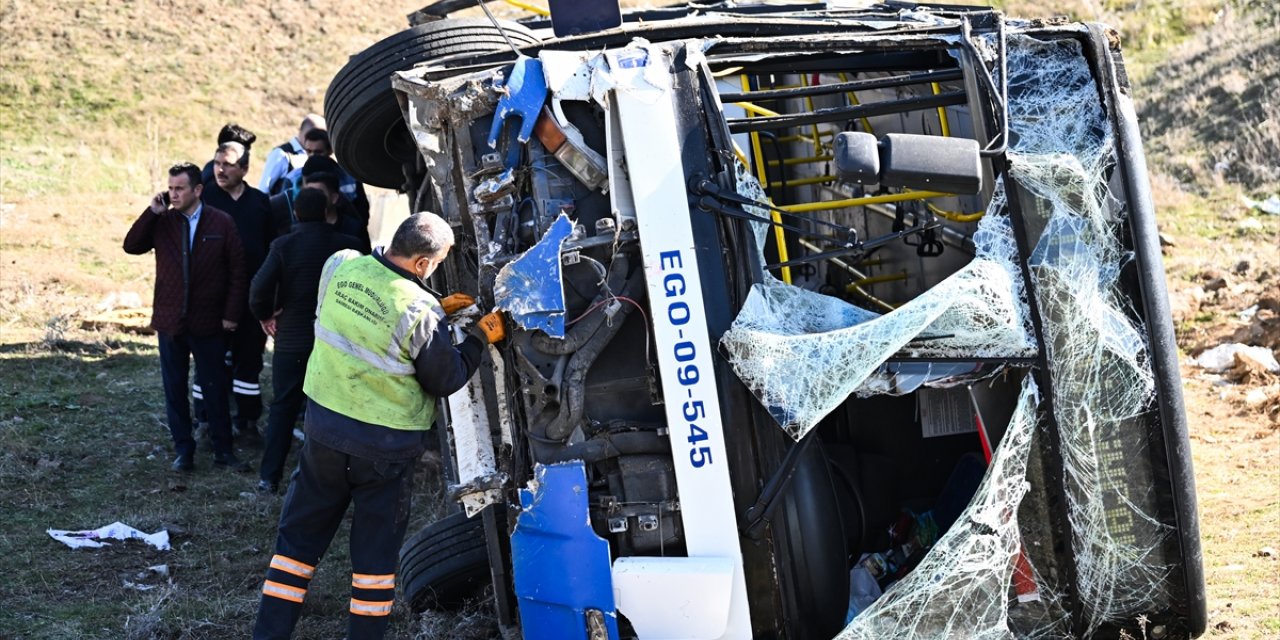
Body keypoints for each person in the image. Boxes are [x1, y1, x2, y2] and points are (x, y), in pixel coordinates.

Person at [252, 212, 506, 639]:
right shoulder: (419, 309)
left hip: (325, 437)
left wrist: (434, 320)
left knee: (295, 551)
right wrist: (479, 337)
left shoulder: (342, 266)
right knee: (372, 567)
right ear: (423, 265)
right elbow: (445, 378)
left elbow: (361, 322)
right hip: (383, 454)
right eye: (438, 263)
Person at [123, 162, 251, 472]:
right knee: (174, 388)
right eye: (170, 188)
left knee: (215, 387)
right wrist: (151, 212)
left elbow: (238, 271)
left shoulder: (221, 222)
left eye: (179, 188)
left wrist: (231, 315)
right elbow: (131, 246)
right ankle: (184, 450)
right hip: (170, 321)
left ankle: (224, 450)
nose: (173, 193)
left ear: (197, 190)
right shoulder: (163, 220)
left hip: (209, 322)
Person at [248, 188, 363, 494]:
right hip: (336, 343)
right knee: (335, 410)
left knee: (283, 407)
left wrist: (266, 314)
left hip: (293, 341)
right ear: (327, 211)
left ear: (295, 213)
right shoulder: (348, 246)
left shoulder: (283, 245)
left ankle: (268, 477)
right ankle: (336, 479)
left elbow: (258, 288)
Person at [200, 141, 276, 445]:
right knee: (210, 362)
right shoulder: (204, 198)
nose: (221, 169)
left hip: (251, 299)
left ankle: (246, 422)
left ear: (244, 169)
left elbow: (272, 250)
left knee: (249, 361)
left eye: (229, 164)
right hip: (212, 300)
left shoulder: (259, 203)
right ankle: (205, 421)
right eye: (218, 162)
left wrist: (271, 298)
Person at [269, 155, 371, 252]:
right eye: (308, 192)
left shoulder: (353, 231)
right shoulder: (286, 238)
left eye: (319, 193)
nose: (312, 197)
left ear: (334, 197)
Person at [272, 128, 370, 223]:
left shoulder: (350, 179)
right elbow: (285, 211)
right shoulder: (292, 178)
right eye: (309, 151)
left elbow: (362, 212)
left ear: (330, 151)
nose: (313, 156)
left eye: (318, 152)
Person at [258, 114, 325, 193]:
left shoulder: (319, 156)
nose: (315, 139)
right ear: (301, 132)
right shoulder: (281, 154)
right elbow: (263, 190)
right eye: (313, 135)